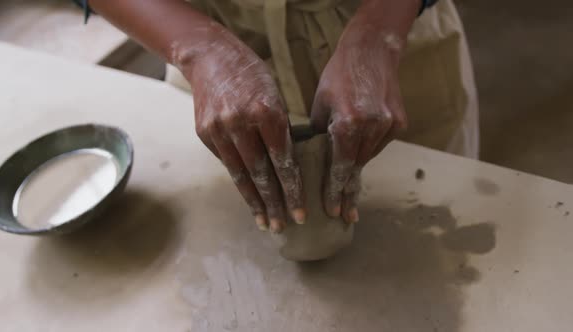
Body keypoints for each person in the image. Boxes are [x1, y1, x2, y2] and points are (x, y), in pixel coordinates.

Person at [83, 0, 479, 233]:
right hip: (208, 48)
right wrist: (197, 50)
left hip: (390, 34)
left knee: (431, 238)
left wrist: (380, 31)